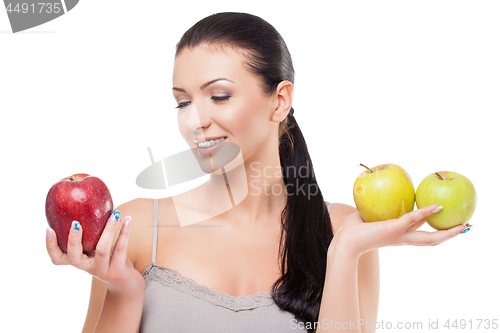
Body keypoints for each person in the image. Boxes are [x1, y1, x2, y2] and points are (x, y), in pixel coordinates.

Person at [45, 12, 470, 333]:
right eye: (182, 102)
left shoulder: (345, 231)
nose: (195, 120)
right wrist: (124, 290)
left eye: (219, 95)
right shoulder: (135, 228)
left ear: (280, 100)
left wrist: (343, 253)